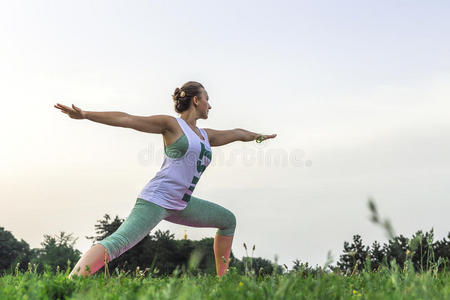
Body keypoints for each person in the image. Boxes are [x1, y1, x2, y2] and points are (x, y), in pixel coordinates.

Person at [54, 81, 277, 278]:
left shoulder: (206, 136)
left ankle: (222, 280)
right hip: (156, 199)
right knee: (118, 242)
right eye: (207, 99)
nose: (210, 105)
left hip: (182, 204)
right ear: (196, 100)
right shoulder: (171, 125)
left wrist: (258, 136)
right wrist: (86, 115)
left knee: (228, 220)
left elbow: (237, 132)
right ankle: (71, 281)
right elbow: (127, 118)